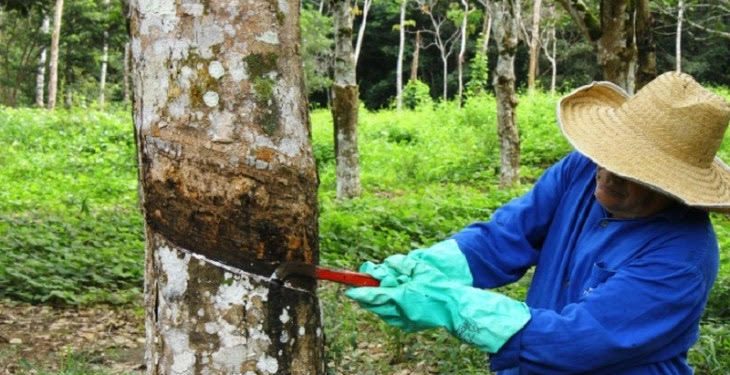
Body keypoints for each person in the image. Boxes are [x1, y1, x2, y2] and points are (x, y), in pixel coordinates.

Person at [345, 71, 730, 374]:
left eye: (634, 172)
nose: (609, 174)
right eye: (609, 156)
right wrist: (429, 266)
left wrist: (453, 306)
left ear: (674, 188)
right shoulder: (582, 169)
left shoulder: (682, 256)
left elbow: (576, 341)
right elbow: (507, 236)